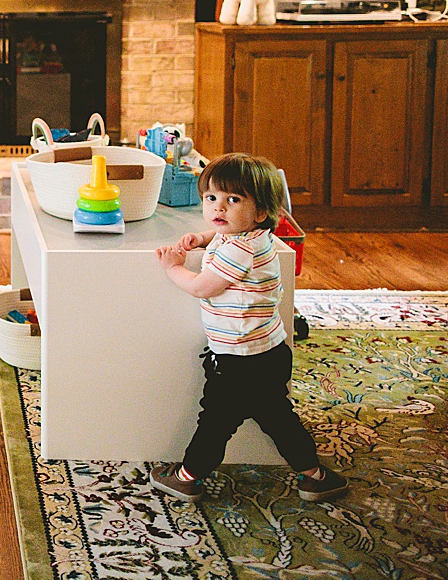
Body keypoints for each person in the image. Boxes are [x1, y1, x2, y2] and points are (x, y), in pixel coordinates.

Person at [150, 153, 349, 503]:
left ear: (260, 212)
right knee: (278, 419)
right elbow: (223, 233)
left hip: (238, 363)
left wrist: (172, 268)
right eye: (211, 198)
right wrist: (203, 237)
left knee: (214, 424)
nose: (219, 209)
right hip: (268, 352)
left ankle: (187, 476)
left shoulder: (238, 252)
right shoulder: (255, 238)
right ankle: (313, 475)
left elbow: (202, 287)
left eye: (233, 200)